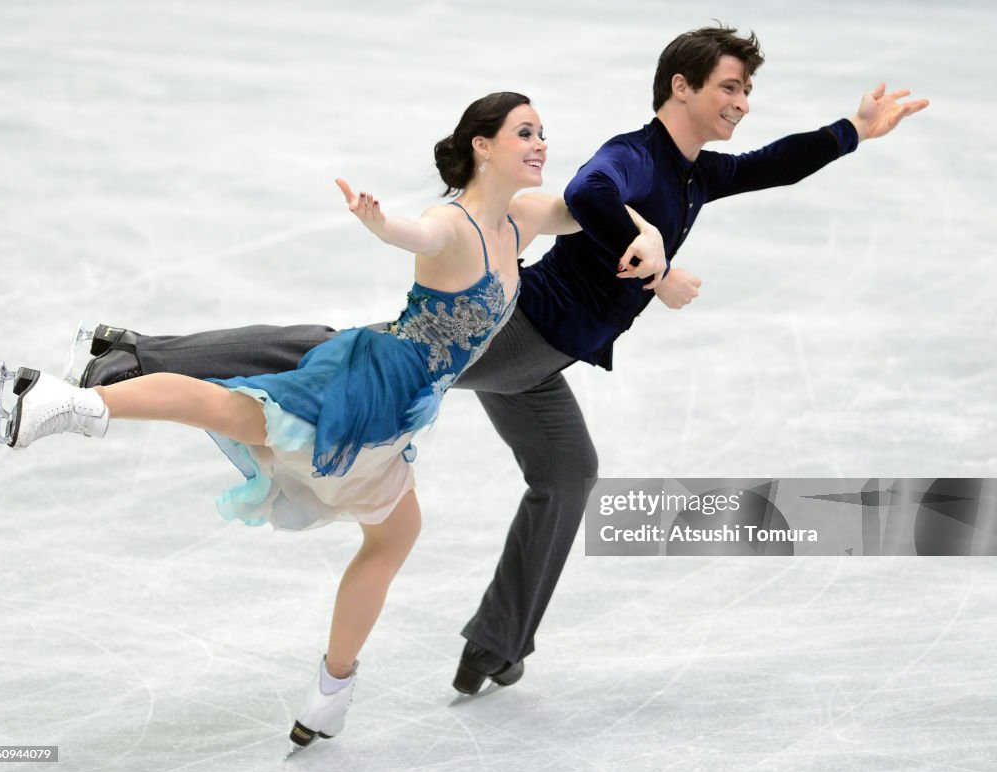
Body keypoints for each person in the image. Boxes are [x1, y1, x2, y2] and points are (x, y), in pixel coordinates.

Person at [68, 25, 929, 696]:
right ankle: (135, 353)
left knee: (569, 470)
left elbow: (776, 167)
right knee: (342, 358)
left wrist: (856, 129)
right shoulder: (637, 155)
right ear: (684, 86)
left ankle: (496, 644)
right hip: (515, 328)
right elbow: (592, 190)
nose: (743, 102)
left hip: (540, 361)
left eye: (748, 89)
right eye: (731, 87)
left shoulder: (697, 174)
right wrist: (650, 252)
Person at [0, 92, 662, 750]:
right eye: (524, 132)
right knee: (230, 407)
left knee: (394, 532)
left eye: (542, 131)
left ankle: (330, 695)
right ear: (482, 146)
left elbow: (587, 207)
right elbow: (418, 233)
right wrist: (381, 225)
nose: (540, 142)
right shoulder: (452, 224)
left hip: (401, 410)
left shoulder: (520, 218)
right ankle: (64, 403)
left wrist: (650, 235)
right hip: (369, 385)